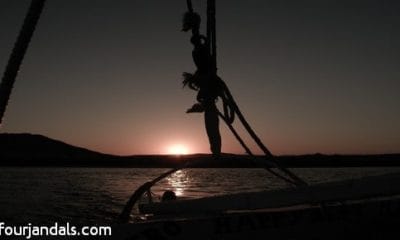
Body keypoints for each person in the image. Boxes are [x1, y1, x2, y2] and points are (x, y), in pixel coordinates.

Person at [182, 11, 222, 157]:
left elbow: (205, 63)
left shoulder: (198, 51)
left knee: (212, 129)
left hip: (208, 82)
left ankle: (216, 152)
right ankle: (216, 152)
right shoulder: (198, 51)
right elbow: (204, 63)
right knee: (211, 128)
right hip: (208, 84)